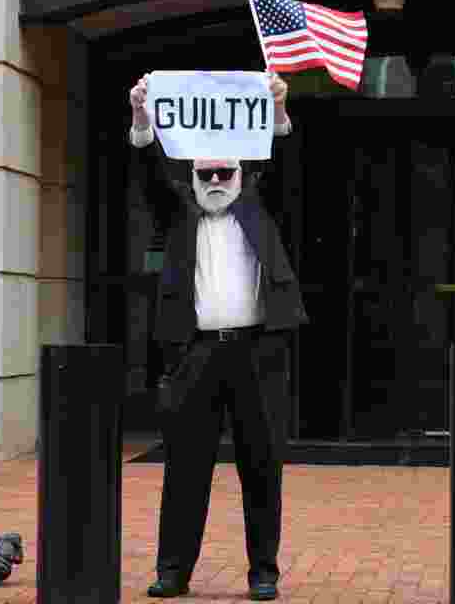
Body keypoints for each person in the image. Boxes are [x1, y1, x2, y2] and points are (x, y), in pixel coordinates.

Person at [127, 71, 308, 600]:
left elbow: (286, 165)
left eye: (223, 171)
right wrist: (141, 117)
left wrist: (278, 111)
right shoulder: (179, 215)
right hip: (197, 353)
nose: (214, 180)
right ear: (192, 174)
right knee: (185, 466)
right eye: (204, 172)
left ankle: (263, 572)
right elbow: (149, 175)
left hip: (257, 352)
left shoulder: (260, 208)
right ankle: (173, 571)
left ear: (240, 173)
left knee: (262, 464)